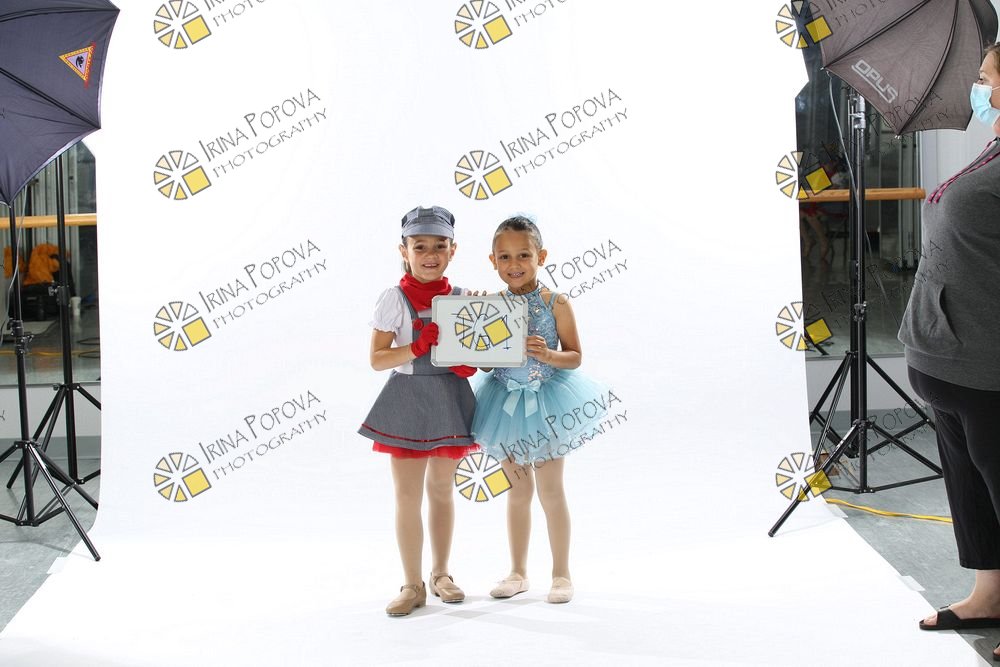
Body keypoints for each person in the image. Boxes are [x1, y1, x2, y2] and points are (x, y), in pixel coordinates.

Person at [900, 44, 1000, 659]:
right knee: (968, 486)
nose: (977, 88)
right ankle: (989, 595)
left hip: (989, 367)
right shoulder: (991, 149)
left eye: (986, 78)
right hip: (944, 359)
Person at [472, 215, 609, 604]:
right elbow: (484, 364)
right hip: (505, 406)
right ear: (492, 261)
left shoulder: (555, 302)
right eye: (504, 257)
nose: (513, 264)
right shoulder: (492, 305)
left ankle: (561, 573)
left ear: (541, 256)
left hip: (547, 404)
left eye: (523, 255)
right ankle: (517, 572)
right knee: (518, 491)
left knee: (550, 490)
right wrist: (483, 348)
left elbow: (575, 356)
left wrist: (548, 354)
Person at [358, 205, 478, 617]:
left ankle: (441, 574)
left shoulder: (463, 299)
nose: (430, 254)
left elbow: (482, 351)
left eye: (439, 246)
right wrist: (416, 347)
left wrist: (466, 361)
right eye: (420, 246)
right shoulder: (394, 299)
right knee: (407, 496)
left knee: (442, 490)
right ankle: (412, 584)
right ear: (403, 250)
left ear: (452, 250)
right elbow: (377, 359)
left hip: (448, 397)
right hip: (407, 398)